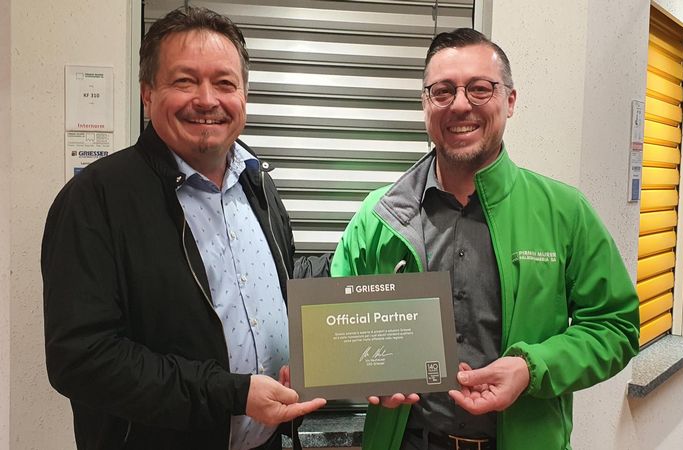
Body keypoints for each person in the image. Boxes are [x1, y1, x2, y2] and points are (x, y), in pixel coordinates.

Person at [330, 28, 640, 450]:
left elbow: (615, 326)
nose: (460, 105)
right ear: (425, 104)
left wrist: (532, 368)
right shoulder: (379, 216)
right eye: (442, 91)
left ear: (509, 101)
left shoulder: (564, 212)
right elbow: (340, 330)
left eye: (479, 88)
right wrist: (368, 376)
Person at [41, 7, 325, 450]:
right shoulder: (96, 199)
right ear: (147, 93)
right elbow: (81, 358)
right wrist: (232, 393)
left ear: (245, 95)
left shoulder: (258, 184)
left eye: (225, 83)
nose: (207, 100)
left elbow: (279, 285)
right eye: (185, 81)